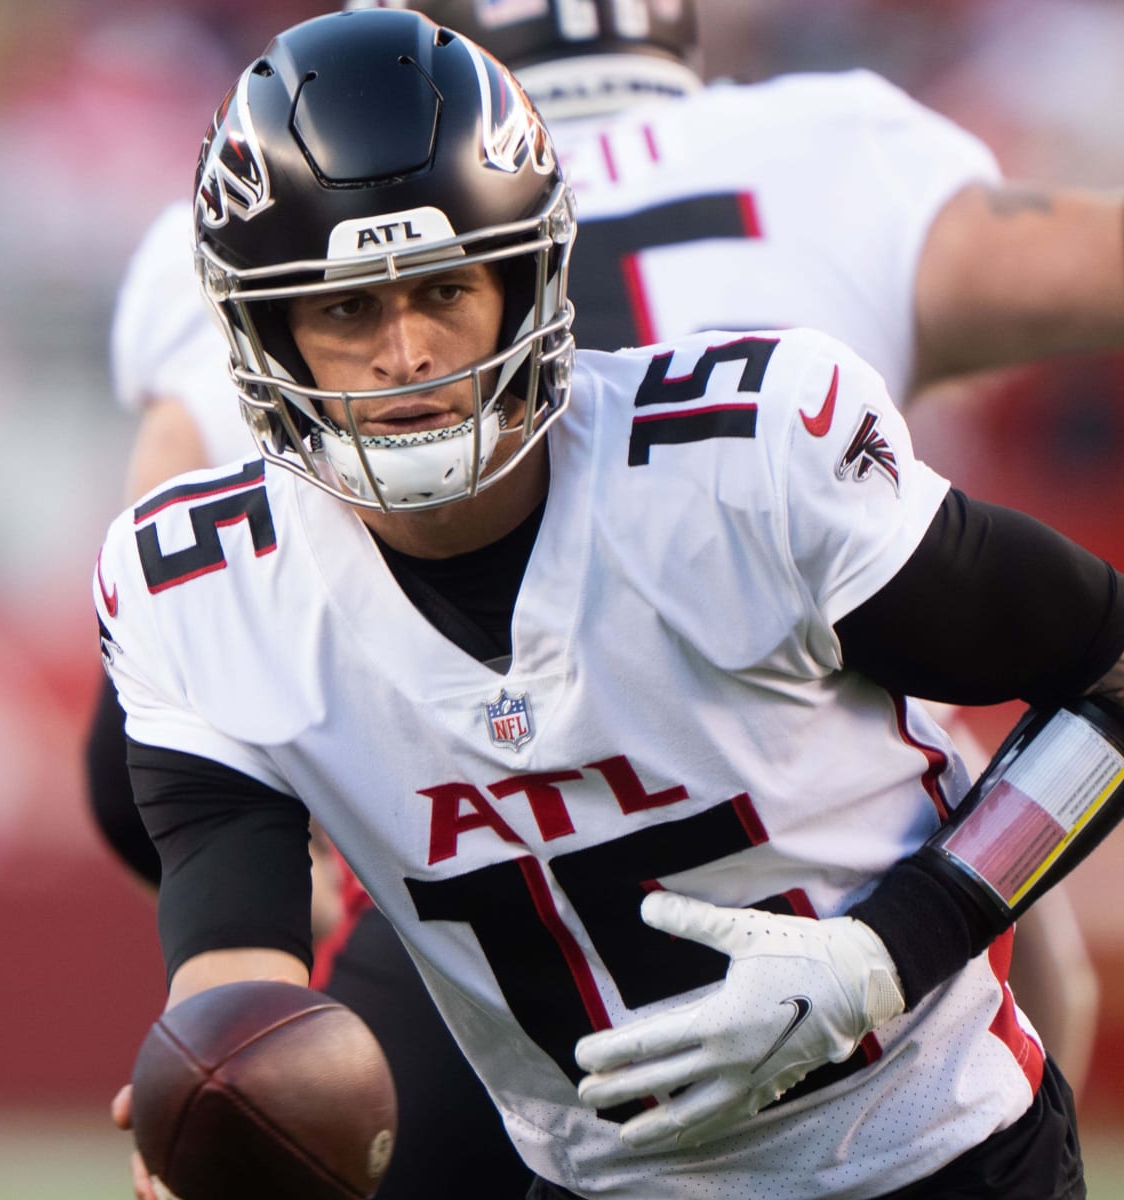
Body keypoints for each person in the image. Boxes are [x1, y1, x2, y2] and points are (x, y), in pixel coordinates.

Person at [96, 10, 1124, 1198]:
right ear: (265, 334)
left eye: (445, 289)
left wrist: (887, 950)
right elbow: (237, 949)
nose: (407, 353)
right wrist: (221, 1090)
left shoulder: (747, 462)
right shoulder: (202, 588)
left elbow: (1109, 670)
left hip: (932, 1152)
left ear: (528, 278)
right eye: (345, 310)